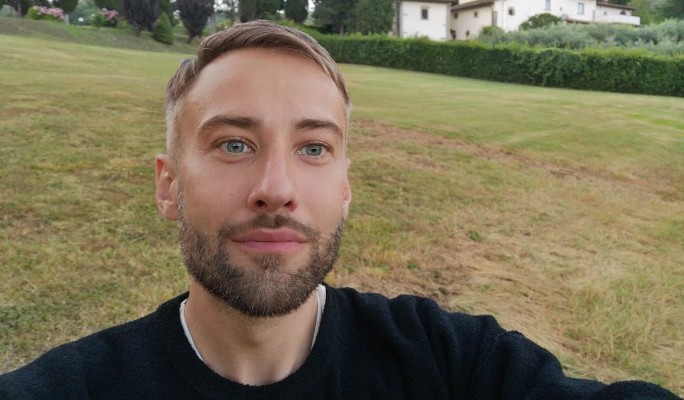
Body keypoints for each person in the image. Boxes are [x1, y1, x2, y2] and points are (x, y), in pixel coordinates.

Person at [0, 20, 680, 400]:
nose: (276, 188)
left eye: (314, 148)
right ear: (168, 185)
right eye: (234, 144)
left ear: (347, 187)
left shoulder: (448, 363)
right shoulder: (73, 387)